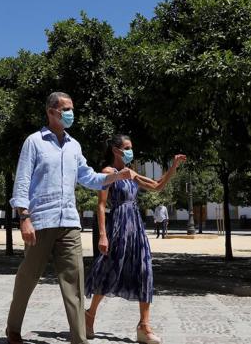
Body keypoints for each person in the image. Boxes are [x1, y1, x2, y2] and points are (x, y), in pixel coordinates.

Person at [6, 92, 136, 344]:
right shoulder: (34, 142)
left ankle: (79, 339)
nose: (70, 114)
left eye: (72, 109)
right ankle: (13, 328)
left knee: (74, 284)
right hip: (41, 222)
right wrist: (24, 216)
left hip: (69, 224)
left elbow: (88, 177)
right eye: (66, 109)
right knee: (27, 277)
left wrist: (116, 177)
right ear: (51, 111)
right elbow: (22, 181)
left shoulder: (74, 145)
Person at [85, 134, 186, 344]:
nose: (131, 151)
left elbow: (157, 186)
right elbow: (102, 205)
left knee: (144, 269)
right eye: (127, 147)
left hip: (136, 227)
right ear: (116, 150)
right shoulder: (107, 173)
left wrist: (173, 167)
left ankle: (144, 325)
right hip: (118, 226)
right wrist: (102, 235)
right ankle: (89, 315)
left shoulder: (131, 174)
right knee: (108, 271)